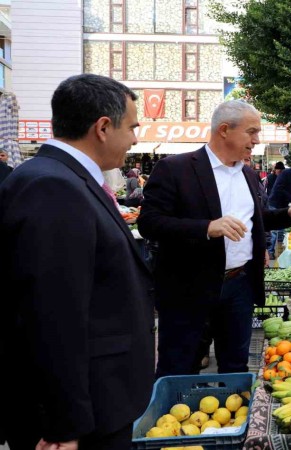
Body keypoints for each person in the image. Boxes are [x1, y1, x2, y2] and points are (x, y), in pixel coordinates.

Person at [0, 74, 154, 450]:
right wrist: (63, 424)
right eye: (132, 126)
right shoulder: (51, 186)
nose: (136, 138)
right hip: (82, 418)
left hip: (101, 401)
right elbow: (51, 315)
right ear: (103, 127)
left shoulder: (66, 178)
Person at [137, 100, 291, 377]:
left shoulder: (249, 175)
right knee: (179, 367)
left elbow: (256, 220)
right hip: (189, 287)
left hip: (239, 285)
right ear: (224, 130)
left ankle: (235, 418)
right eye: (251, 132)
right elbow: (149, 223)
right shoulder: (175, 168)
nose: (257, 140)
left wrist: (288, 214)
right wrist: (207, 227)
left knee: (235, 365)